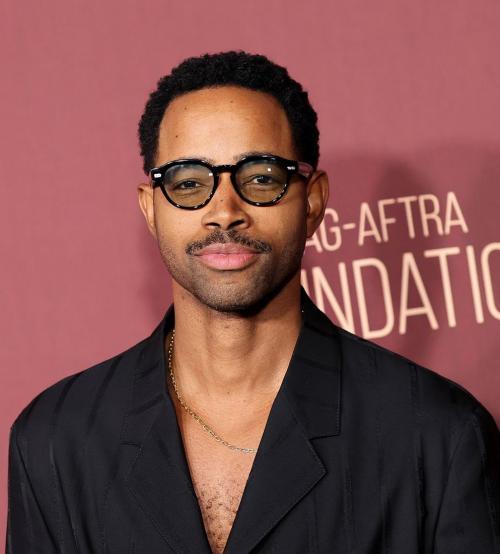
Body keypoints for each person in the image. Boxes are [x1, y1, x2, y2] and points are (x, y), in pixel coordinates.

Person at [6, 51, 500, 554]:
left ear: (313, 201)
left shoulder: (437, 435)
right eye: (188, 182)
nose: (224, 211)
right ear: (151, 209)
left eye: (261, 177)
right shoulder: (55, 441)